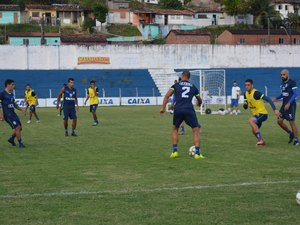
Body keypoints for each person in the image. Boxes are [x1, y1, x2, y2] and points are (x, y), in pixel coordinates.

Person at [160, 71, 204, 159]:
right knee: (196, 130)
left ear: (182, 76)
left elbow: (167, 96)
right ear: (189, 77)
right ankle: (198, 154)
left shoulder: (176, 85)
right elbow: (199, 99)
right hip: (189, 109)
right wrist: (199, 103)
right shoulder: (193, 86)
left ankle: (174, 152)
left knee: (175, 129)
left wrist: (163, 108)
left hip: (178, 109)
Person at [243, 79, 280, 146]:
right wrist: (245, 105)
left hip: (263, 114)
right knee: (254, 131)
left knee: (250, 121)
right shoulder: (245, 94)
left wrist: (275, 110)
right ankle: (262, 142)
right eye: (245, 85)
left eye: (248, 85)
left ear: (252, 85)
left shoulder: (256, 93)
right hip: (256, 115)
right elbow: (245, 107)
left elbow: (268, 99)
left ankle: (260, 140)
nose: (247, 86)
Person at [272, 69, 299, 145]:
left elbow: (296, 93)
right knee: (279, 121)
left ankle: (296, 140)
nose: (282, 76)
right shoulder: (282, 83)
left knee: (292, 122)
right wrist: (276, 98)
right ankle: (291, 133)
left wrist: (289, 103)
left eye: (284, 74)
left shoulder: (292, 82)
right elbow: (283, 94)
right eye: (281, 75)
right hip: (284, 105)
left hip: (291, 105)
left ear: (287, 75)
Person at [0, 79, 26, 148]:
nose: (13, 86)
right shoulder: (2, 94)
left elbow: (14, 104)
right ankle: (20, 143)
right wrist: (1, 115)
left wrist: (21, 110)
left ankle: (11, 139)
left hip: (13, 114)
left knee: (20, 128)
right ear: (8, 85)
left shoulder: (11, 94)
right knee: (17, 128)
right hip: (7, 115)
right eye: (12, 84)